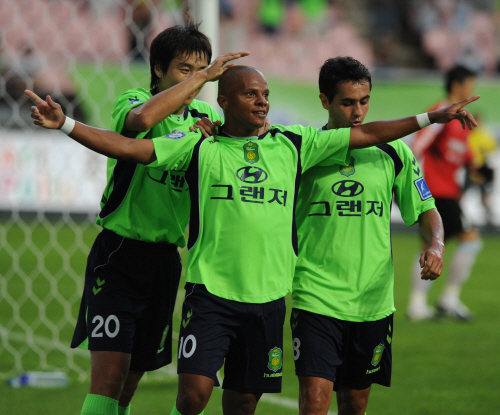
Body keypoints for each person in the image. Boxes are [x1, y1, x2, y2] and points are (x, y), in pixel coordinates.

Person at [26, 65, 478, 415]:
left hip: (271, 301)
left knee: (246, 404)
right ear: (223, 102)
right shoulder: (199, 146)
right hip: (214, 295)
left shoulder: (293, 144)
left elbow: (366, 135)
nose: (262, 102)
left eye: (266, 95)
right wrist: (67, 125)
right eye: (251, 94)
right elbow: (130, 147)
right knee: (193, 395)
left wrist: (428, 118)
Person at [42, 20, 247, 415]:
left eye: (200, 69)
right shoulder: (132, 100)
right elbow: (140, 123)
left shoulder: (206, 116)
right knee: (108, 378)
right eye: (185, 69)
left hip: (166, 260)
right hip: (119, 254)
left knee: (132, 379)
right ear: (159, 69)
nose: (196, 79)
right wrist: (204, 77)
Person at [289, 56, 445, 415]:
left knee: (354, 404)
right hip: (316, 295)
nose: (358, 111)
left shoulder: (393, 152)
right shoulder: (303, 152)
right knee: (314, 402)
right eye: (347, 102)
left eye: (364, 101)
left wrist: (435, 244)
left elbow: (425, 209)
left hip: (372, 302)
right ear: (324, 101)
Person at [408, 65, 482, 321]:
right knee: (470, 240)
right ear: (457, 86)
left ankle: (417, 305)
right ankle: (449, 298)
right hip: (437, 193)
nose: (472, 90)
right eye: (470, 84)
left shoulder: (459, 121)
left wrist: (479, 171)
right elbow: (417, 144)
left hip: (448, 194)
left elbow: (467, 158)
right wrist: (409, 182)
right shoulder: (441, 112)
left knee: (430, 246)